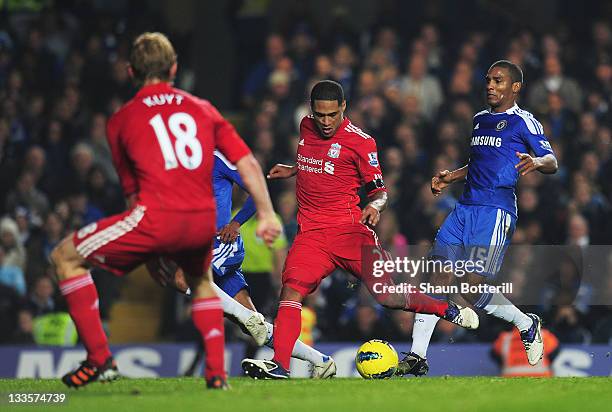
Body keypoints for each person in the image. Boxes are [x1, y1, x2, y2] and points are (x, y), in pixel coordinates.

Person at [50, 32, 281, 390]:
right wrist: (265, 213)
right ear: (174, 68)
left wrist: (150, 249)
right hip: (201, 222)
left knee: (65, 256)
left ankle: (99, 358)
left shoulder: (121, 120)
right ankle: (216, 375)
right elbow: (247, 161)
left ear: (130, 72)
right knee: (202, 282)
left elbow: (133, 195)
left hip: (157, 216)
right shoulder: (202, 109)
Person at [241, 80, 479, 380]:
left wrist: (375, 207)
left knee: (387, 296)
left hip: (351, 231)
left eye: (331, 115)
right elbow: (319, 162)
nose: (325, 122)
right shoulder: (305, 126)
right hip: (312, 234)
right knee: (290, 291)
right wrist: (293, 169)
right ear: (311, 111)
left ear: (343, 108)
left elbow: (380, 191)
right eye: (319, 115)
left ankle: (445, 309)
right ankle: (280, 365)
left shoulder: (361, 141)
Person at [397, 60, 558, 377]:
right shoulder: (480, 120)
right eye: (487, 80)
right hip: (463, 209)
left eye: (498, 81)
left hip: (495, 211)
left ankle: (526, 324)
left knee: (470, 290)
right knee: (436, 276)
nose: (490, 85)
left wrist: (537, 161)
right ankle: (417, 356)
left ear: (515, 87)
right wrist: (450, 177)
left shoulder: (524, 122)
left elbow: (552, 160)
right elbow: (479, 164)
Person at [148, 150, 336, 378]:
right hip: (195, 247)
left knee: (181, 278)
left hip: (220, 240)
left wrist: (236, 223)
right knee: (255, 328)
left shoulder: (216, 158)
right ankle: (321, 361)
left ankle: (247, 318)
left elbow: (258, 190)